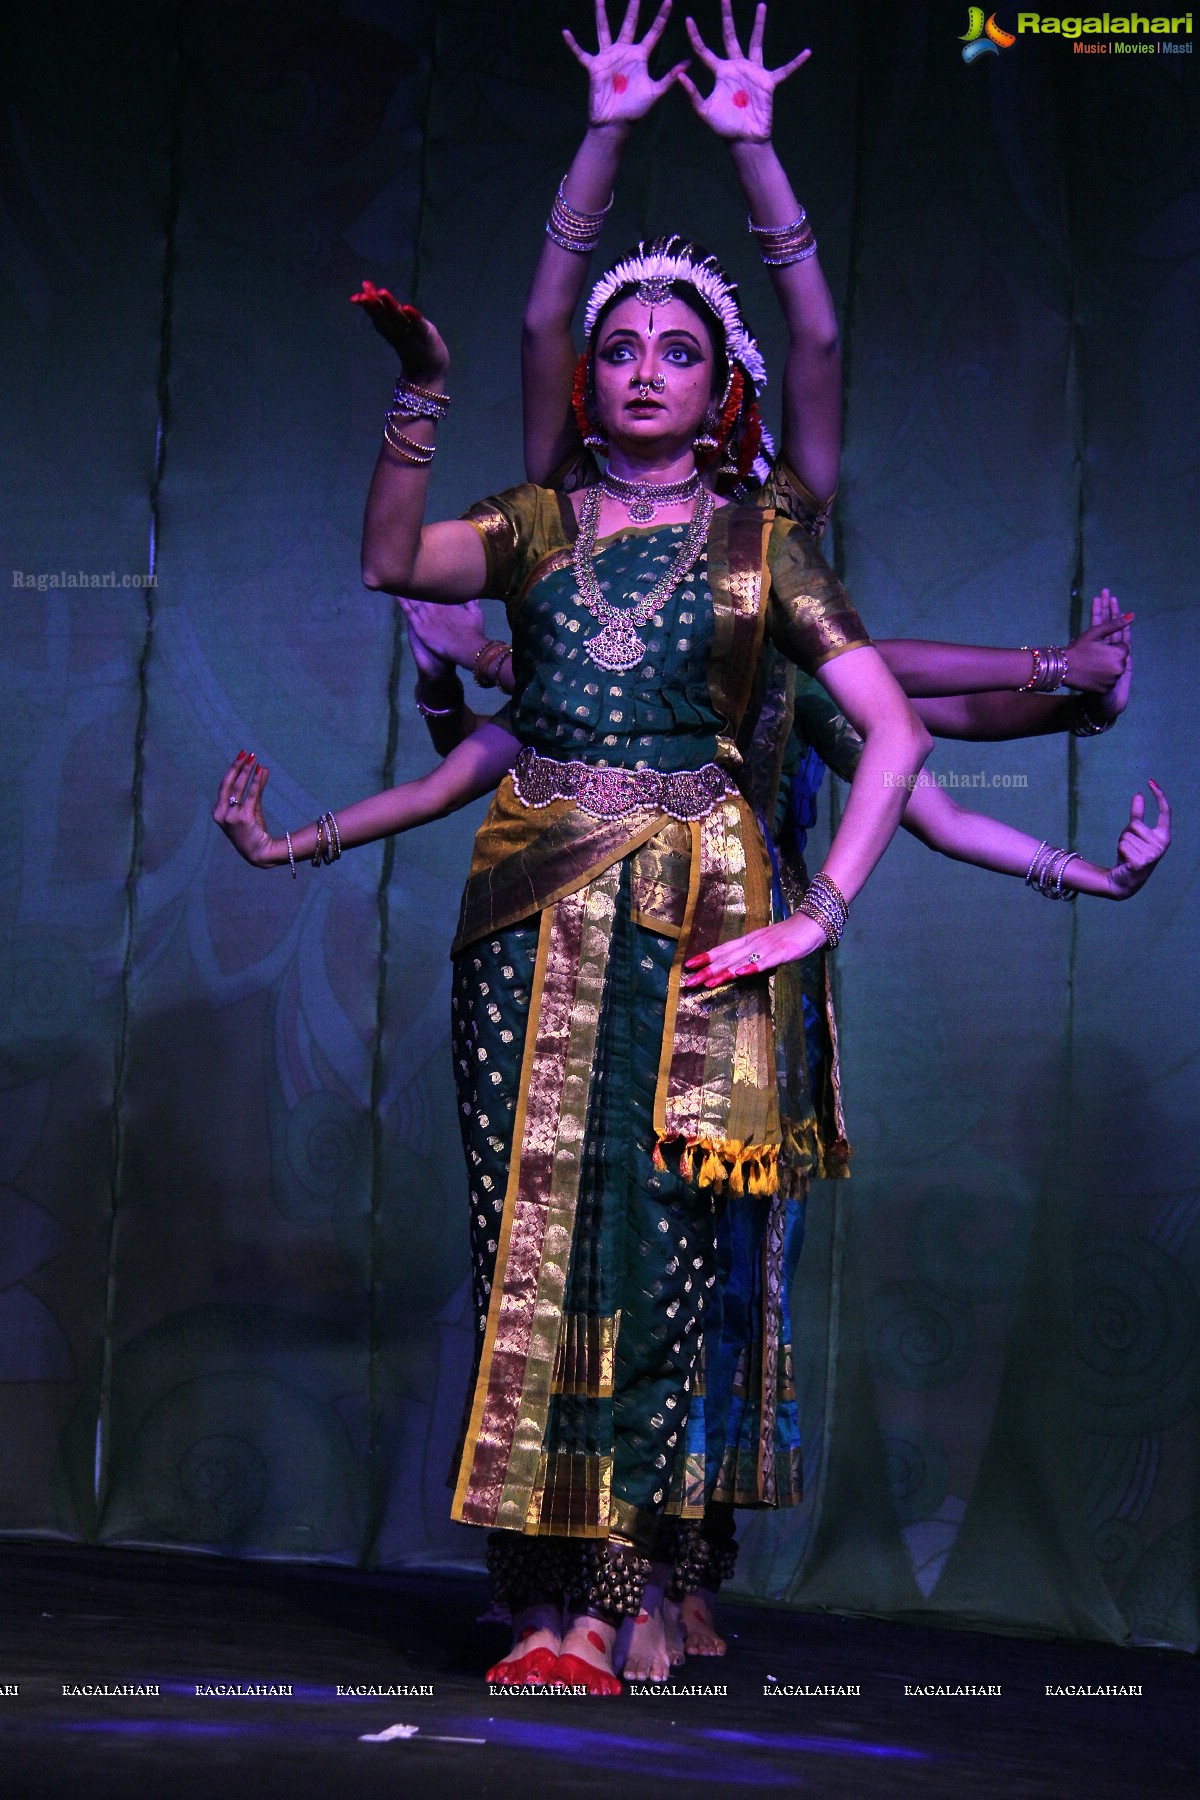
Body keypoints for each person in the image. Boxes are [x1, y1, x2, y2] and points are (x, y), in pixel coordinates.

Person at [348, 0, 1140, 1675]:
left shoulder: (767, 536)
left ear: (726, 394)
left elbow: (910, 727)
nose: (639, 368)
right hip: (538, 900)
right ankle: (563, 1583)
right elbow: (429, 526)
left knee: (681, 1243)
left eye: (679, 352)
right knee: (537, 1239)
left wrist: (843, 899)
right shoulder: (544, 525)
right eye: (619, 353)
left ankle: (645, 1580)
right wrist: (600, 149)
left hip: (717, 904)